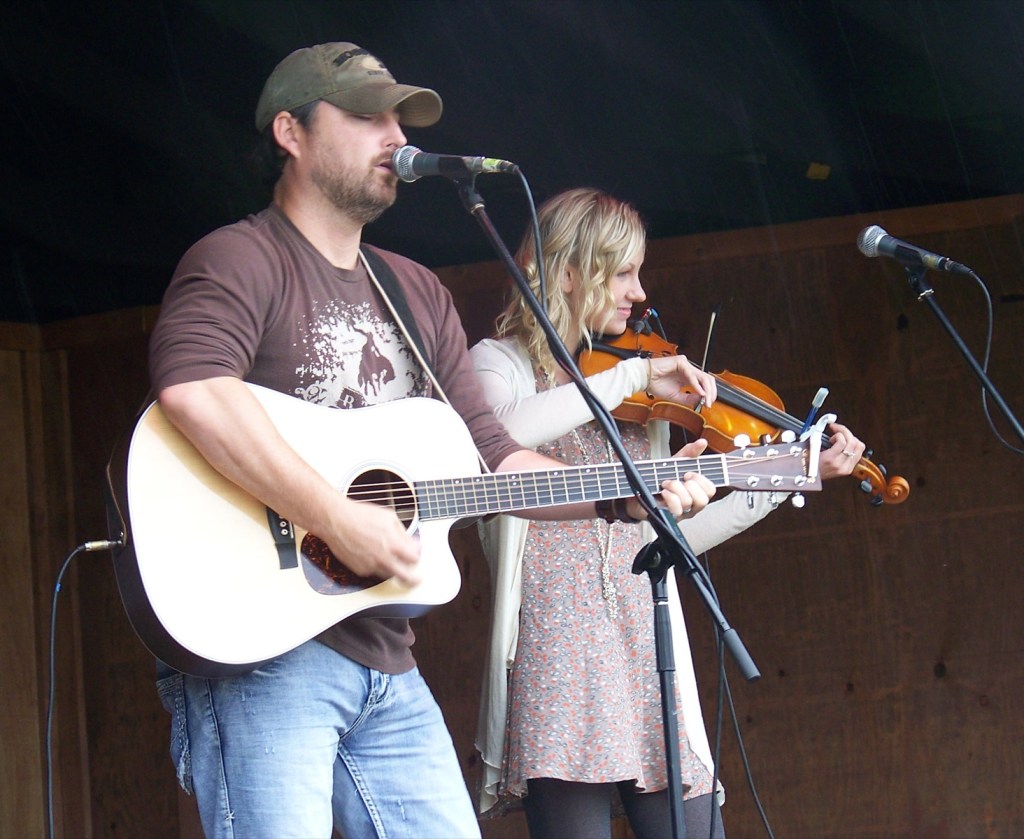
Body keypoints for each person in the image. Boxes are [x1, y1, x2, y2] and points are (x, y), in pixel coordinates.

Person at [147, 45, 717, 839]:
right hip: (261, 656)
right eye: (366, 113)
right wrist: (335, 517)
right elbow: (193, 390)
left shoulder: (414, 290)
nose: (394, 134)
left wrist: (627, 497)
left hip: (385, 656)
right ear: (291, 131)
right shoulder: (243, 258)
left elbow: (494, 457)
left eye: (399, 116)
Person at [471, 188, 866, 839]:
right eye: (621, 271)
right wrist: (628, 379)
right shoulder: (501, 364)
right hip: (557, 654)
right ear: (568, 272)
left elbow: (672, 541)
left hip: (645, 642)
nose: (638, 290)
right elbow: (496, 446)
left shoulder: (641, 396)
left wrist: (787, 474)